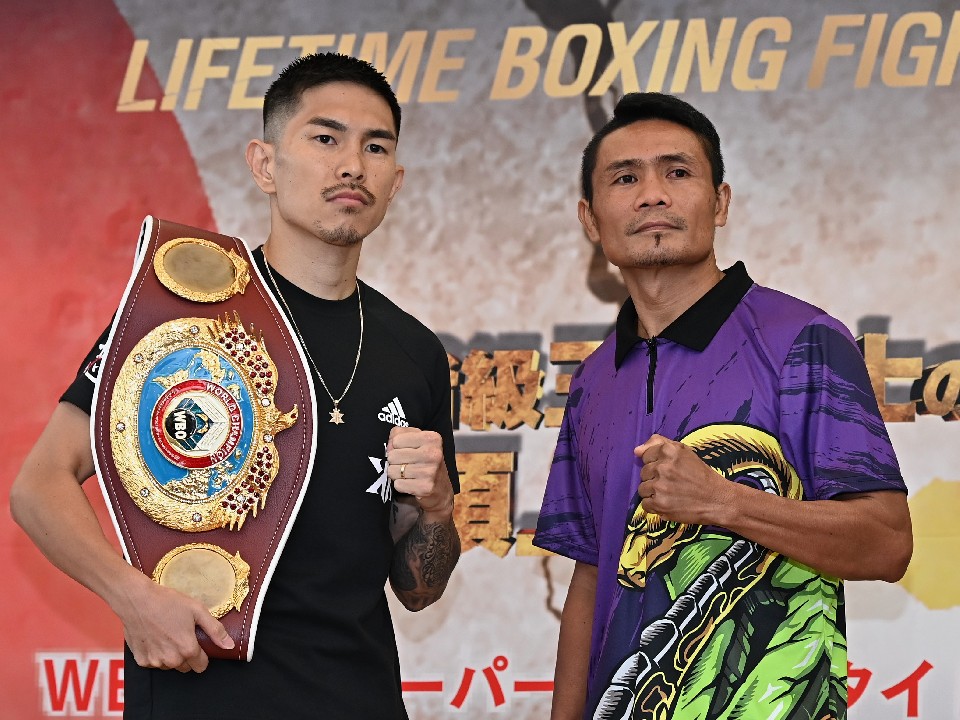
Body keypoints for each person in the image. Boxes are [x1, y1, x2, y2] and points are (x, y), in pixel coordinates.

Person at [10, 52, 460, 719]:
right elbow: (39, 484)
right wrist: (133, 599)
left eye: (375, 147)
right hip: (198, 696)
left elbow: (418, 591)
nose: (351, 165)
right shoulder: (183, 311)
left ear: (394, 182)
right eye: (325, 138)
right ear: (264, 164)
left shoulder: (415, 352)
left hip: (357, 698)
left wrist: (438, 509)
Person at [533, 93, 913, 720]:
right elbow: (592, 577)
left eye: (677, 172)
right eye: (625, 178)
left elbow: (887, 542)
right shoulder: (594, 378)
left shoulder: (802, 340)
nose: (652, 195)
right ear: (590, 220)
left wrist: (723, 501)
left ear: (720, 203)